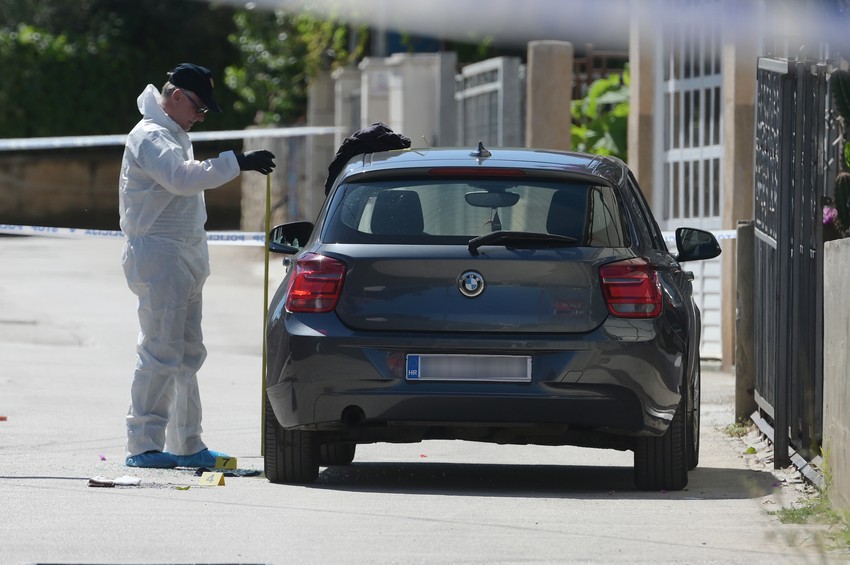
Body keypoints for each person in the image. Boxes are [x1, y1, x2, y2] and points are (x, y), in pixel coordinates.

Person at [119, 63, 276, 469]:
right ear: (175, 98)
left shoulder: (173, 133)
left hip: (183, 255)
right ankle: (143, 445)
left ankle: (187, 444)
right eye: (198, 107)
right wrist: (235, 162)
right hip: (159, 256)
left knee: (187, 353)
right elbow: (180, 179)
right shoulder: (150, 136)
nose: (201, 116)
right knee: (160, 351)